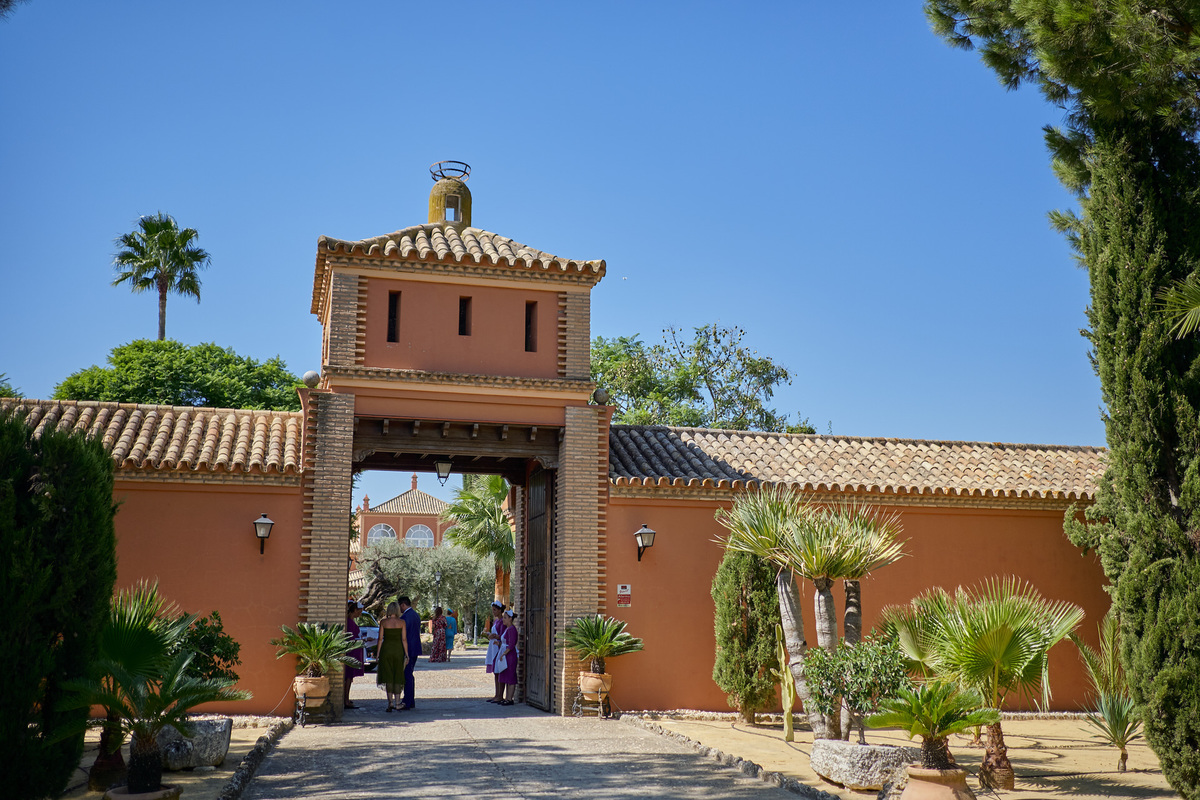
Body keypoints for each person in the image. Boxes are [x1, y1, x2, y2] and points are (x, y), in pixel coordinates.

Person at [376, 601, 406, 712]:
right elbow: (404, 639)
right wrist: (406, 654)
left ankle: (390, 703)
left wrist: (378, 654)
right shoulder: (402, 622)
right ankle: (398, 702)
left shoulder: (383, 622)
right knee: (398, 674)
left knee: (388, 675)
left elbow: (380, 639)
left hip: (386, 650)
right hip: (398, 650)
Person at [397, 595, 422, 711]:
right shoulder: (415, 615)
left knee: (407, 675)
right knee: (409, 675)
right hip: (415, 648)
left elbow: (404, 635)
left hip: (408, 649)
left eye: (399, 606)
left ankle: (407, 701)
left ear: (403, 604)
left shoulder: (406, 617)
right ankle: (410, 700)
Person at [344, 600, 366, 709]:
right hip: (351, 652)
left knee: (349, 677)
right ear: (355, 610)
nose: (360, 613)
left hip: (353, 651)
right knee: (348, 677)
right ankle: (346, 700)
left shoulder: (350, 621)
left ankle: (346, 698)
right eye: (360, 611)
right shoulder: (350, 623)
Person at [496, 608, 519, 705]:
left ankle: (510, 698)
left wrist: (504, 653)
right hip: (506, 654)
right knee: (506, 676)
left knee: (510, 676)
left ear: (510, 619)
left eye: (505, 618)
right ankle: (507, 697)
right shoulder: (507, 629)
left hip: (510, 656)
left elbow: (511, 644)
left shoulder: (512, 629)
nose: (503, 619)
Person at [484, 601, 505, 703]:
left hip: (499, 648)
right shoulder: (496, 621)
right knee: (495, 673)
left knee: (499, 671)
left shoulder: (502, 622)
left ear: (500, 610)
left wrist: (495, 636)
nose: (493, 612)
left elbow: (503, 635)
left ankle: (500, 695)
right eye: (492, 610)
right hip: (493, 647)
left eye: (495, 610)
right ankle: (496, 694)